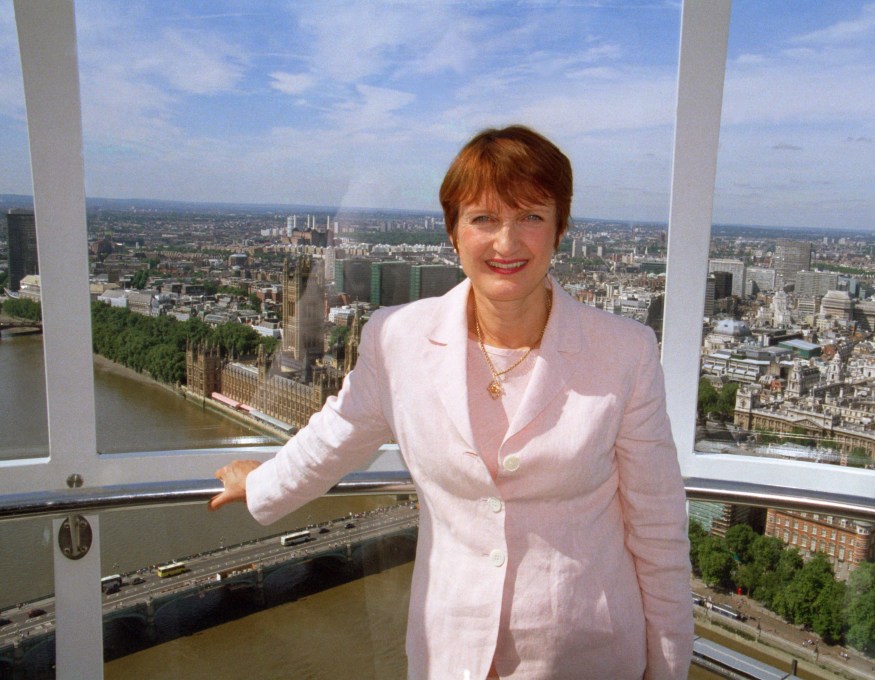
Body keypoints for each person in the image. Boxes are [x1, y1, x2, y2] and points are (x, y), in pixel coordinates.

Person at [210, 125, 693, 679]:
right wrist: (263, 483)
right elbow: (336, 432)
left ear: (561, 231)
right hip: (453, 649)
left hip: (584, 653)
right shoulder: (396, 338)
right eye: (483, 218)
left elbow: (657, 529)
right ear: (453, 232)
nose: (507, 243)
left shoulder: (625, 351)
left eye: (531, 216)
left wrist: (669, 670)